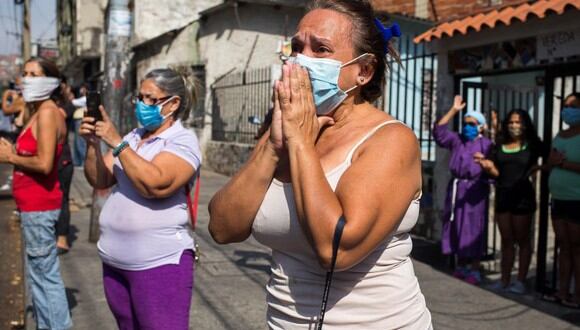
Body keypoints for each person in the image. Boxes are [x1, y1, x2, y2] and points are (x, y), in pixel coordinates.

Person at [209, 1, 432, 328]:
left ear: (363, 71)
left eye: (321, 49)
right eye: (297, 47)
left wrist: (300, 144)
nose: (301, 60)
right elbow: (222, 227)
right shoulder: (285, 127)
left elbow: (337, 250)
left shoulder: (390, 140)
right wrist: (273, 147)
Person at [80, 68, 201, 329]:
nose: (142, 105)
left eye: (151, 99)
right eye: (140, 97)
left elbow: (155, 184)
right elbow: (99, 179)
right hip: (115, 262)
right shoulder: (134, 137)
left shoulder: (182, 140)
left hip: (158, 264)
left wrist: (116, 142)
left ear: (173, 103)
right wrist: (92, 143)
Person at [0, 57, 72, 329]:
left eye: (34, 74)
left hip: (40, 207)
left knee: (45, 276)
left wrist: (10, 158)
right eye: (25, 73)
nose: (27, 78)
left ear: (50, 81)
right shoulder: (38, 110)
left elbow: (44, 164)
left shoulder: (48, 113)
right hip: (33, 207)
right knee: (38, 276)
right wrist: (15, 152)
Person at [477, 109, 543, 294]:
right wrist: (488, 166)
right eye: (512, 122)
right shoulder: (499, 144)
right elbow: (497, 172)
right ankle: (504, 280)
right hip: (503, 196)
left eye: (518, 122)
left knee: (522, 240)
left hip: (523, 198)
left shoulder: (533, 144)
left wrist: (538, 167)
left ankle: (520, 280)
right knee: (506, 240)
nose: (515, 126)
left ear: (525, 124)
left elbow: (549, 159)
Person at [433, 95, 493, 285]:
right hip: (457, 189)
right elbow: (439, 131)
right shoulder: (457, 140)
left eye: (473, 123)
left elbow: (493, 167)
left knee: (474, 228)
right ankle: (461, 264)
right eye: (466, 123)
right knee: (456, 225)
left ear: (481, 126)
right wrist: (454, 110)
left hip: (475, 191)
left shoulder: (487, 145)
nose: (468, 126)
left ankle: (475, 268)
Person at [543, 93, 580, 307]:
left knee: (577, 247)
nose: (568, 109)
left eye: (573, 106)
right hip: (558, 198)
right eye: (565, 106)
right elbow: (550, 162)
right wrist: (553, 162)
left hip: (576, 200)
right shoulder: (560, 135)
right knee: (564, 246)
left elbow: (560, 162)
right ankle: (562, 291)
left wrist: (563, 164)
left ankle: (577, 296)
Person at [55, 79, 76, 253]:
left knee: (62, 199)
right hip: (44, 159)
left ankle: (62, 238)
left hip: (62, 161)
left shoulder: (67, 105)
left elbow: (57, 116)